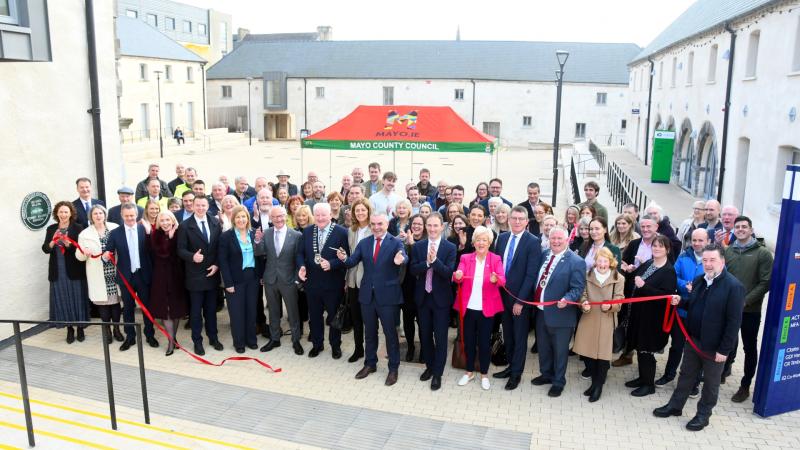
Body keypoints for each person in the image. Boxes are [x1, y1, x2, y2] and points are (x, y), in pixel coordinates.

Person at [654, 244, 745, 431]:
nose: (708, 264)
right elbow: (694, 305)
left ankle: (703, 415)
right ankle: (675, 406)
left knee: (711, 383)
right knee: (686, 375)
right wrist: (682, 301)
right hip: (694, 340)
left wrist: (724, 350)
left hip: (715, 347)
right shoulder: (699, 280)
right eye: (705, 260)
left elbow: (734, 323)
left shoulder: (734, 287)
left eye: (712, 260)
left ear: (722, 261)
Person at [337, 213, 407, 386]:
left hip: (388, 297)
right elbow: (352, 261)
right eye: (373, 224)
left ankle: (393, 368)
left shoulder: (395, 242)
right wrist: (344, 258)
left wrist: (401, 260)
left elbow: (404, 256)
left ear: (387, 224)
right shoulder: (364, 243)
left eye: (380, 224)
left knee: (390, 334)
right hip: (367, 295)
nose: (376, 227)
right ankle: (370, 363)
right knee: (369, 332)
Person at [530, 226, 586, 397]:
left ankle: (558, 381)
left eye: (559, 238)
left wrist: (567, 299)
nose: (555, 241)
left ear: (567, 240)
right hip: (541, 311)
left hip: (561, 314)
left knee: (560, 351)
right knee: (543, 347)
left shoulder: (576, 261)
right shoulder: (545, 255)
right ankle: (546, 374)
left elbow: (577, 288)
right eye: (553, 238)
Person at [492, 206, 542, 390]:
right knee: (508, 335)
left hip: (520, 299)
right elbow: (497, 266)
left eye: (521, 219)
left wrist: (520, 301)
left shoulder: (533, 242)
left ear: (527, 221)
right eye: (514, 218)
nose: (517, 221)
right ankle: (510, 367)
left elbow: (531, 275)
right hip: (502, 296)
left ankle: (516, 374)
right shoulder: (502, 238)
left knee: (520, 338)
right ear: (509, 220)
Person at [725, 216, 773, 401]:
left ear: (751, 230)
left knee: (749, 347)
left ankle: (745, 385)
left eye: (744, 226)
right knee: (727, 341)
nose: (740, 229)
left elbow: (765, 282)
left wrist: (745, 301)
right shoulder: (729, 251)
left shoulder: (763, 253)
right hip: (728, 308)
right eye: (737, 227)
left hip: (750, 311)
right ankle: (722, 371)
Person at [452, 226, 505, 390]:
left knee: (484, 343)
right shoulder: (466, 258)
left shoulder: (495, 259)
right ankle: (469, 372)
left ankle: (484, 374)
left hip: (486, 309)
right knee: (468, 341)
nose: (481, 243)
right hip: (468, 308)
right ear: (473, 242)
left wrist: (496, 279)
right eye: (478, 240)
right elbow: (458, 276)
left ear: (489, 243)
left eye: (484, 240)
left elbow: (502, 280)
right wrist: (457, 275)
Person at [624, 235, 677, 397]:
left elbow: (665, 297)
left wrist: (644, 286)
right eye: (654, 245)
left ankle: (649, 385)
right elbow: (636, 279)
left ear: (667, 250)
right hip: (639, 315)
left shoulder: (668, 271)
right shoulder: (649, 263)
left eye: (661, 246)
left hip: (653, 319)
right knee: (640, 348)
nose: (657, 248)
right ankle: (642, 378)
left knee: (646, 350)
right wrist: (631, 271)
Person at [408, 213, 456, 390]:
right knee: (425, 335)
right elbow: (413, 270)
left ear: (442, 227)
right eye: (429, 225)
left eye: (436, 225)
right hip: (423, 298)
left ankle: (438, 373)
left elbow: (448, 272)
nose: (432, 229)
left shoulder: (450, 247)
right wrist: (427, 264)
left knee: (441, 337)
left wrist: (434, 261)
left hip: (441, 300)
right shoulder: (418, 246)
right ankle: (429, 366)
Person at [297, 203, 350, 359]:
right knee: (314, 316)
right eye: (317, 215)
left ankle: (335, 345)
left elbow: (347, 257)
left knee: (334, 317)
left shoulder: (342, 232)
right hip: (312, 283)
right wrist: (301, 266)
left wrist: (332, 264)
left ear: (330, 215)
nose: (320, 218)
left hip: (333, 283)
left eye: (323, 215)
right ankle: (317, 344)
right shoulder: (307, 231)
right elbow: (300, 253)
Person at [103, 203, 158, 351]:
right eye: (126, 216)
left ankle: (150, 335)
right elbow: (108, 250)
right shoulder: (115, 233)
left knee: (147, 307)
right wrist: (105, 256)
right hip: (126, 277)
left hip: (144, 275)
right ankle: (130, 337)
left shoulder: (144, 230)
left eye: (132, 215)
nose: (129, 218)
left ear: (137, 215)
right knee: (128, 308)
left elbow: (154, 250)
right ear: (122, 215)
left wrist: (150, 233)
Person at [657, 228, 707, 389]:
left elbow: (718, 280)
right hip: (681, 311)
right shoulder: (684, 256)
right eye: (694, 240)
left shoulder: (712, 259)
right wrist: (685, 285)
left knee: (696, 349)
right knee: (676, 346)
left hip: (700, 313)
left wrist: (698, 287)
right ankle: (668, 375)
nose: (696, 243)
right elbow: (674, 275)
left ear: (708, 241)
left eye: (700, 240)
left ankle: (694, 383)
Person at [573, 247, 624, 402]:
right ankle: (594, 382)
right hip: (589, 318)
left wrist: (611, 306)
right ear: (595, 262)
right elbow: (582, 295)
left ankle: (598, 386)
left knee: (602, 357)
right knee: (587, 354)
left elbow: (620, 299)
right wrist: (583, 303)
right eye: (600, 261)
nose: (602, 264)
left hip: (607, 320)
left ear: (611, 262)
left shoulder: (618, 278)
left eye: (605, 261)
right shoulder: (587, 275)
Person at [176, 196, 224, 356]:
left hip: (212, 273)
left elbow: (219, 247)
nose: (201, 208)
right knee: (196, 312)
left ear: (207, 206)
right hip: (195, 275)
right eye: (198, 205)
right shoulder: (184, 226)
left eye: (203, 205)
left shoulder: (215, 222)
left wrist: (216, 264)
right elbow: (180, 250)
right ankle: (197, 341)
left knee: (211, 310)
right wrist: (192, 256)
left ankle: (213, 338)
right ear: (193, 205)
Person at [254, 206, 304, 355]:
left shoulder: (296, 235)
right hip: (270, 279)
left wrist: (297, 280)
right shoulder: (266, 233)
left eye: (281, 216)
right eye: (275, 217)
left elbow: (299, 259)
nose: (278, 219)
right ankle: (275, 338)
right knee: (273, 311)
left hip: (289, 280)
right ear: (271, 218)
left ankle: (296, 340)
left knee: (293, 312)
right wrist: (257, 240)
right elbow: (259, 253)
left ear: (286, 216)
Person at [76, 205, 124, 343]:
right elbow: (79, 256)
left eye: (100, 213)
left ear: (105, 214)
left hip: (114, 271)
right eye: (95, 214)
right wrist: (83, 252)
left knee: (115, 303)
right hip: (98, 273)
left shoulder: (115, 227)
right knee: (103, 304)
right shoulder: (85, 234)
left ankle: (117, 329)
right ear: (91, 217)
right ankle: (107, 330)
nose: (98, 216)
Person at [43, 201, 87, 343]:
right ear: (57, 213)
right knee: (64, 300)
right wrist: (52, 241)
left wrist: (69, 245)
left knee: (77, 300)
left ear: (70, 213)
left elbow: (81, 250)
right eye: (61, 212)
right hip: (58, 270)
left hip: (74, 270)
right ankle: (69, 329)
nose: (63, 214)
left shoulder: (78, 228)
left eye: (66, 212)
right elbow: (45, 249)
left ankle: (80, 328)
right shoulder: (51, 229)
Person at [144, 210, 186, 356]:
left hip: (176, 276)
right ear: (158, 223)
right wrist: (150, 234)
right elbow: (159, 253)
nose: (165, 223)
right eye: (162, 220)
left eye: (168, 220)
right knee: (166, 310)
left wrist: (173, 238)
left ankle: (173, 338)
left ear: (173, 220)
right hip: (160, 276)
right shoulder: (155, 235)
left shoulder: (180, 233)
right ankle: (170, 341)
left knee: (176, 309)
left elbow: (177, 255)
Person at [218, 206, 259, 353]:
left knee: (251, 310)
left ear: (248, 218)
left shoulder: (254, 233)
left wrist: (260, 276)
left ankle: (251, 340)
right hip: (234, 280)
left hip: (252, 278)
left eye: (244, 216)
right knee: (237, 313)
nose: (241, 220)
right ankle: (239, 343)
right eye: (238, 217)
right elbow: (223, 261)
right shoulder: (226, 236)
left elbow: (260, 256)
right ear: (233, 219)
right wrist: (228, 283)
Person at [344, 199, 373, 363]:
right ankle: (358, 349)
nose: (360, 213)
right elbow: (350, 255)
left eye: (363, 210)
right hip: (352, 279)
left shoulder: (374, 229)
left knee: (368, 320)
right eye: (357, 210)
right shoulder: (351, 230)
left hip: (367, 280)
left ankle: (370, 352)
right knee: (356, 318)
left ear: (368, 211)